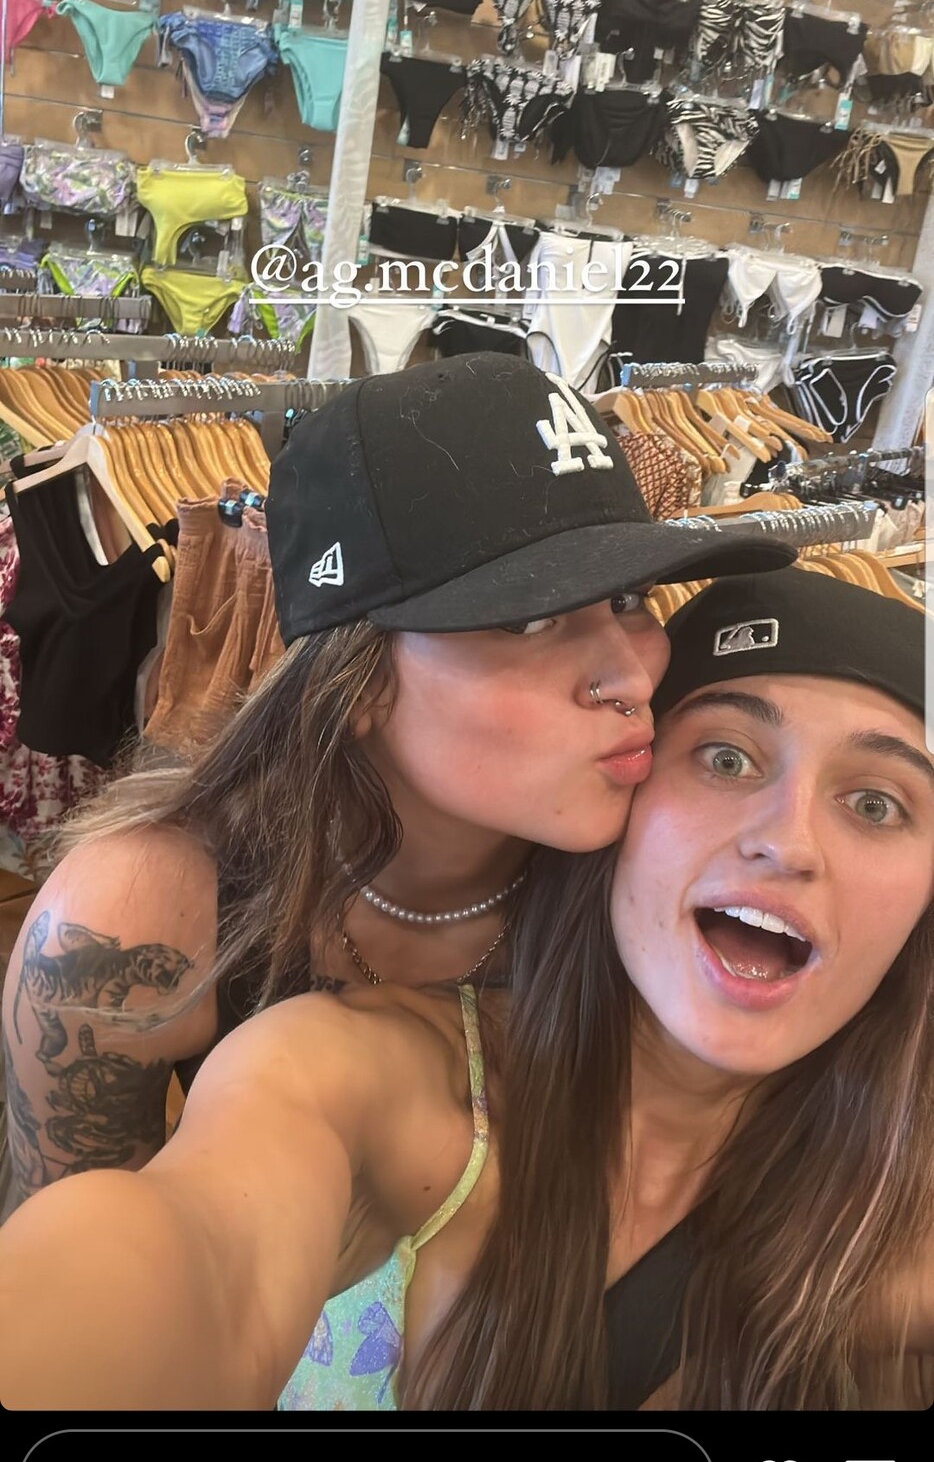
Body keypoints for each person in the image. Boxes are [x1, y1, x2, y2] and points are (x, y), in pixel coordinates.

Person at [0, 567, 930, 1412]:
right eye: (726, 758)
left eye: (877, 803)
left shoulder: (898, 1237)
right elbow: (189, 1261)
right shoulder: (358, 1069)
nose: (789, 843)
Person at [0, 356, 790, 1211]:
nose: (632, 677)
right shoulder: (143, 911)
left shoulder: (683, 888)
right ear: (360, 682)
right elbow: (73, 1248)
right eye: (532, 619)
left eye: (630, 600)